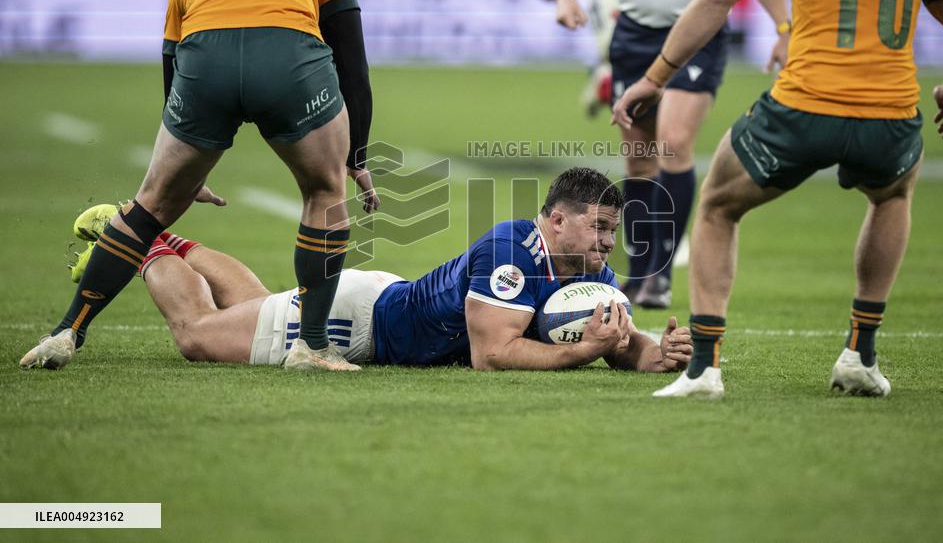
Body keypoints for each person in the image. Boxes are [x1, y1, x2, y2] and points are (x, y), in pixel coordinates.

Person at [613, 0, 943, 398]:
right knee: (892, 196)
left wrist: (655, 78)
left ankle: (703, 369)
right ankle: (860, 355)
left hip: (804, 106)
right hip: (892, 113)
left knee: (717, 206)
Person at [19, 0, 379, 373]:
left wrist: (188, 162)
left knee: (148, 207)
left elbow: (172, 61)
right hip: (288, 58)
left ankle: (67, 332)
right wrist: (356, 157)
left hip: (204, 65)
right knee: (324, 191)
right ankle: (312, 348)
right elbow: (353, 62)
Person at [60, 169, 694, 372]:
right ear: (555, 221)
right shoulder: (511, 250)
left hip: (380, 304)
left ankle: (160, 236)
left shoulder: (592, 274)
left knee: (249, 306)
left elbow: (611, 337)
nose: (610, 242)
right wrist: (582, 352)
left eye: (613, 230)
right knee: (199, 335)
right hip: (353, 324)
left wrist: (648, 352)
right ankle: (138, 239)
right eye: (599, 228)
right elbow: (492, 354)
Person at [555, 0, 791, 310]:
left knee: (675, 141)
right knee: (641, 158)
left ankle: (661, 275)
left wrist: (782, 25)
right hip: (633, 31)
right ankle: (642, 272)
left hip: (701, 33)